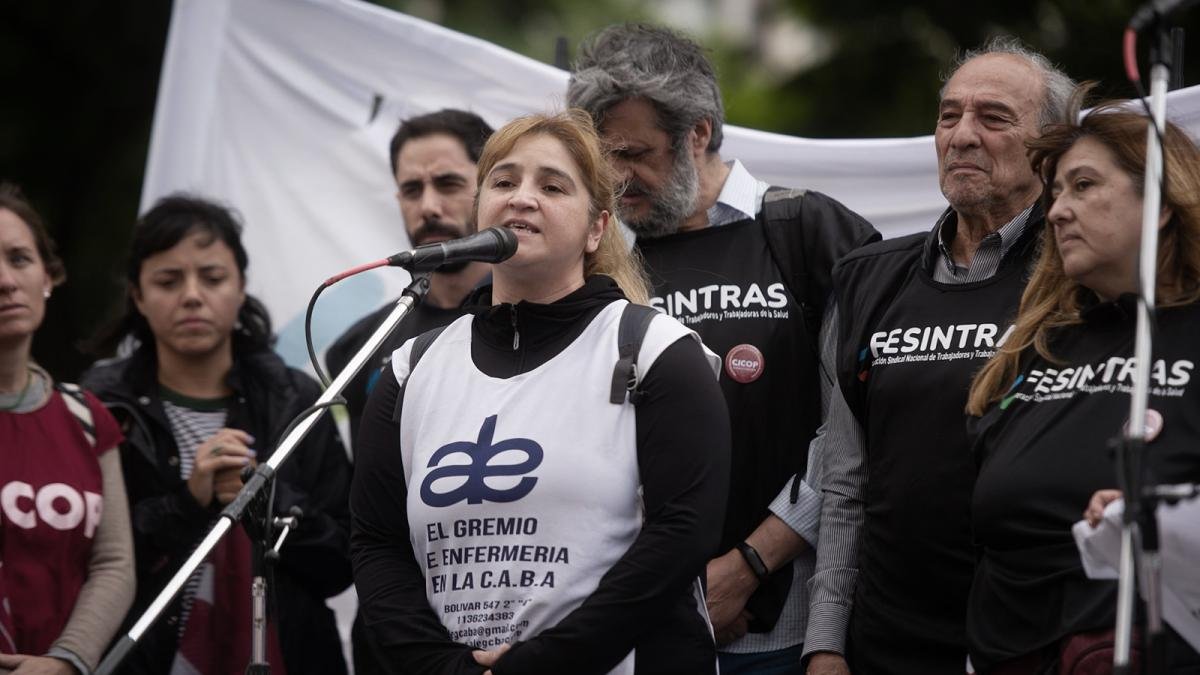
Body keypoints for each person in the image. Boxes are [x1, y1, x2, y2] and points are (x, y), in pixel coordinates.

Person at [350, 110, 731, 675]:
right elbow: (377, 545)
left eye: (551, 186)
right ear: (481, 210)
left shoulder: (656, 351)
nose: (521, 198)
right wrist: (441, 667)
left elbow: (682, 536)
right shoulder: (411, 369)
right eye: (503, 182)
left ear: (597, 228)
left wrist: (545, 663)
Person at [567, 24, 877, 673]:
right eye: (603, 159)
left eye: (634, 153)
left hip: (788, 632)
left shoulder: (807, 231)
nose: (618, 179)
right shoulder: (596, 263)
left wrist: (750, 563)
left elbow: (862, 427)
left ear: (699, 132)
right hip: (640, 633)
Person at [804, 39, 1076, 675]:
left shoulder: (1078, 275)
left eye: (994, 117)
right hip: (884, 643)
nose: (962, 136)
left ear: (1053, 144)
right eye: (948, 115)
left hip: (1034, 642)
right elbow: (846, 479)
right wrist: (825, 643)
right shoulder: (866, 278)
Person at [965, 100, 1200, 673]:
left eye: (1083, 185)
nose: (1056, 213)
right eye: (1055, 194)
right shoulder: (1042, 342)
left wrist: (1165, 517)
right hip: (1006, 647)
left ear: (1162, 202)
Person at [81, 195, 353, 675]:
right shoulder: (99, 404)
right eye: (168, 280)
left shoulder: (295, 399)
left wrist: (264, 499)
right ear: (138, 295)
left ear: (242, 288)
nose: (191, 295)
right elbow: (86, 561)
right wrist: (189, 502)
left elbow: (342, 563)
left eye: (212, 278)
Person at [0, 183, 135, 675]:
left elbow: (114, 564)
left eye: (19, 258)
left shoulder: (87, 417)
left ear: (48, 277)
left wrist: (65, 662)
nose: (6, 281)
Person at [326, 109, 494, 447]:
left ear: (493, 187)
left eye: (448, 184)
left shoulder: (541, 316)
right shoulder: (362, 345)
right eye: (412, 190)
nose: (429, 207)